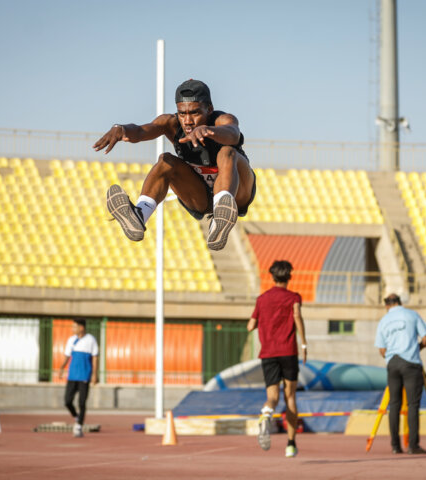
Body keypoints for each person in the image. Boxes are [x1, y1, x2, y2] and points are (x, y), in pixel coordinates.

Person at [94, 79, 256, 251]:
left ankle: (221, 215)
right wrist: (122, 129)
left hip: (237, 192)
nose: (187, 121)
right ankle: (140, 214)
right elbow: (141, 131)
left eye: (194, 113)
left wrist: (210, 131)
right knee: (166, 160)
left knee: (227, 152)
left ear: (209, 110)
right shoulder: (170, 123)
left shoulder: (222, 120)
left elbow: (233, 133)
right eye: (182, 113)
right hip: (198, 195)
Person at [247, 260, 307, 458]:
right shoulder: (294, 297)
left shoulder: (262, 299)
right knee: (290, 397)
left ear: (272, 276)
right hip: (288, 352)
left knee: (272, 397)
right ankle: (290, 444)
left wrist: (264, 321)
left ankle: (266, 414)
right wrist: (304, 343)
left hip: (268, 354)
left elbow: (250, 326)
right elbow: (297, 315)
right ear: (289, 276)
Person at [374, 293, 426, 454]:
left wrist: (392, 357)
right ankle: (413, 445)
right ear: (399, 302)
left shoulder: (383, 321)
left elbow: (382, 350)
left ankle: (395, 446)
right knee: (413, 405)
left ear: (387, 306)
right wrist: (416, 349)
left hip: (393, 363)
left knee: (394, 405)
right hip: (411, 363)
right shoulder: (412, 315)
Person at [58, 318, 99, 438]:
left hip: (84, 376)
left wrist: (94, 375)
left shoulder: (91, 340)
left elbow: (95, 358)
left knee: (82, 402)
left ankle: (79, 425)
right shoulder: (71, 340)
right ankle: (76, 417)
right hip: (72, 376)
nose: (72, 329)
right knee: (67, 401)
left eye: (74, 327)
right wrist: (61, 368)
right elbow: (66, 356)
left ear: (81, 327)